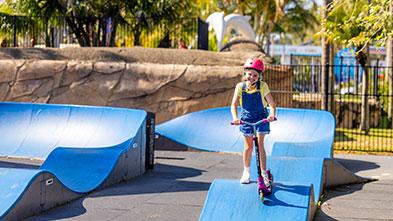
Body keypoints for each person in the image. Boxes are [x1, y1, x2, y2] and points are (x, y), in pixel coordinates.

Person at [230, 57, 276, 187]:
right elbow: (233, 104)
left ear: (259, 76)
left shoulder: (263, 86)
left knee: (260, 144)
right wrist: (235, 118)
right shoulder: (240, 87)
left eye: (255, 75)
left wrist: (272, 115)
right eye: (250, 74)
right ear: (245, 73)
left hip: (261, 117)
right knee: (248, 146)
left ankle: (263, 173)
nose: (252, 77)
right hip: (246, 119)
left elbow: (271, 104)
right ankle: (246, 171)